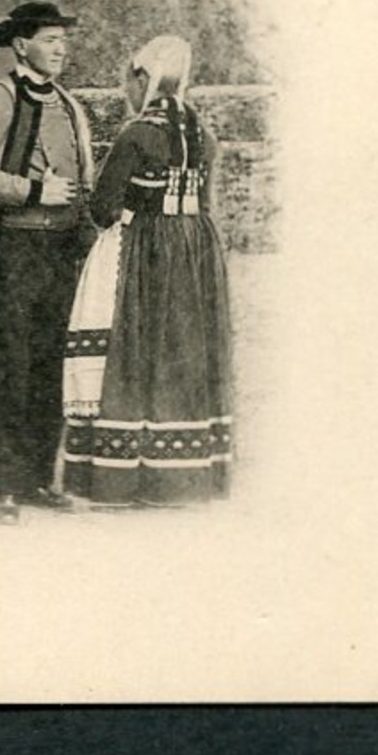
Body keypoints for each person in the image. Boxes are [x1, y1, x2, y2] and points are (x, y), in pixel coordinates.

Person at [60, 35, 234, 506]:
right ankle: (178, 478)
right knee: (180, 351)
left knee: (132, 351)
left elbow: (104, 207)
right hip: (196, 252)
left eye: (128, 83)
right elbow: (207, 203)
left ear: (143, 79)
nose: (127, 93)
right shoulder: (204, 135)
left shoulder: (136, 135)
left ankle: (127, 479)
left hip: (145, 252)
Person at [0, 2, 96, 526]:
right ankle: (2, 487)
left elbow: (83, 175)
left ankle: (39, 477)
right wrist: (33, 189)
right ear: (22, 45)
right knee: (8, 367)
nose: (62, 48)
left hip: (63, 252)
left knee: (49, 369)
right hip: (14, 249)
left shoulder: (71, 105)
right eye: (51, 39)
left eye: (64, 40)